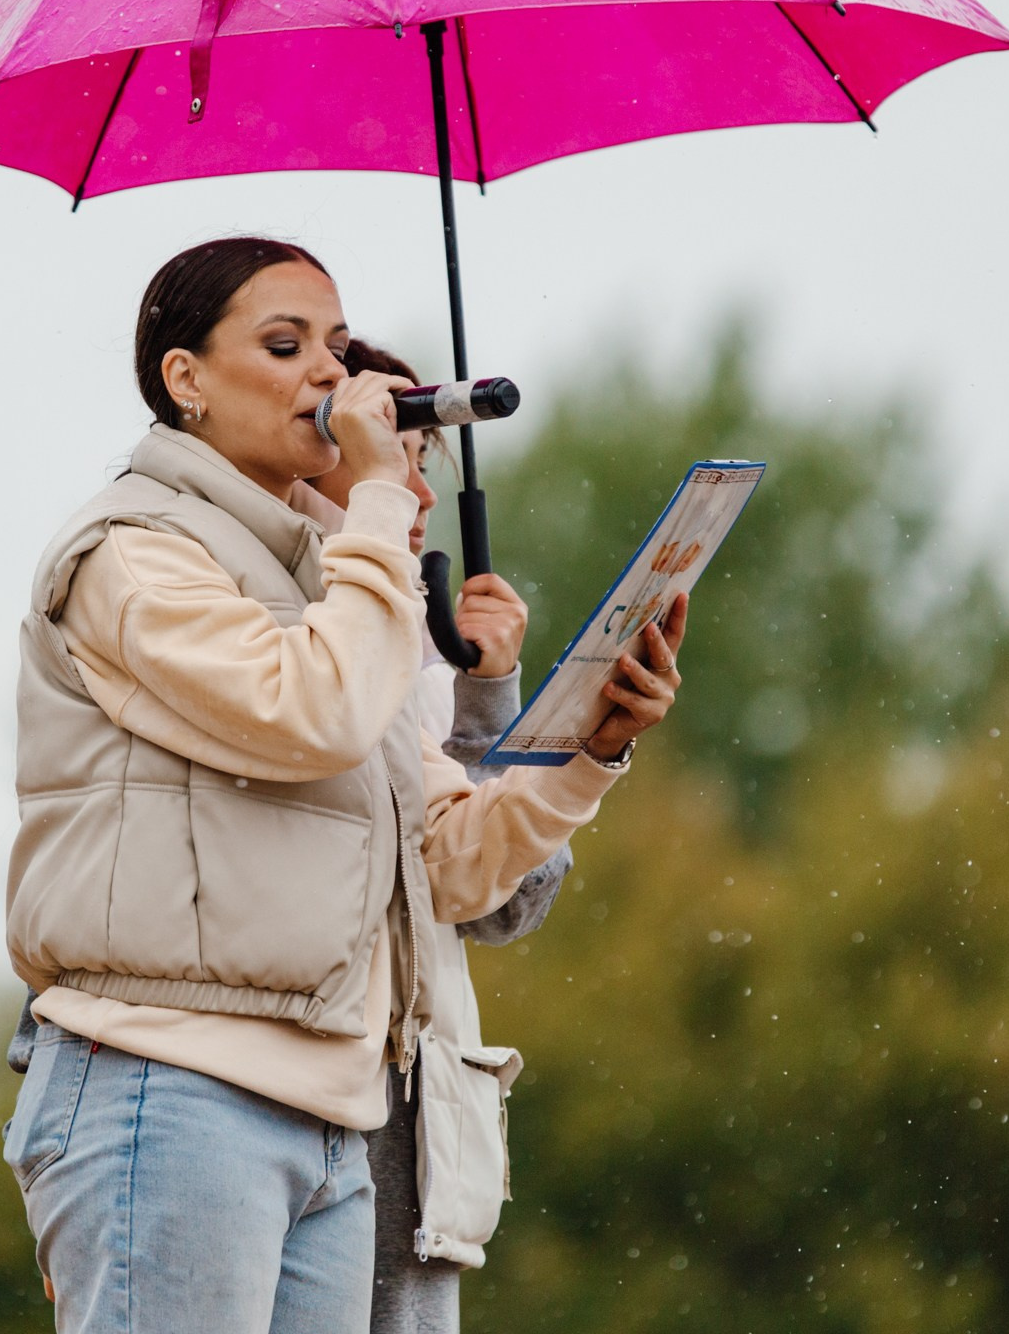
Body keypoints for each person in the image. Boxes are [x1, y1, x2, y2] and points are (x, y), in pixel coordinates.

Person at [0, 237, 688, 1334]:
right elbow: (311, 713)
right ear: (184, 380)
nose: (330, 375)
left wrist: (585, 749)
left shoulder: (325, 589)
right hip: (168, 1083)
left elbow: (452, 867)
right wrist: (373, 501)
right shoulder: (133, 551)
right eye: (285, 346)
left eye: (333, 344)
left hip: (329, 1109)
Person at [302, 339, 568, 1332]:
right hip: (314, 1089)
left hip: (411, 1116)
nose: (418, 488)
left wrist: (489, 691)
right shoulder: (264, 613)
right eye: (399, 453)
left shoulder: (425, 649)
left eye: (426, 463)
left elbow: (511, 897)